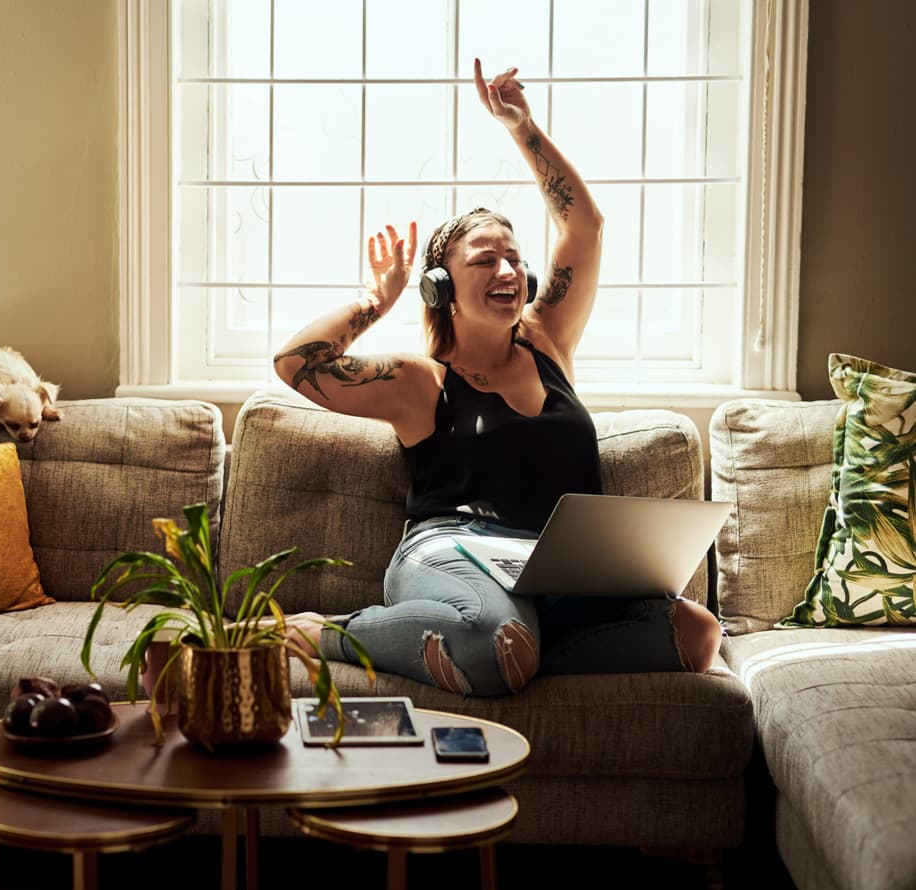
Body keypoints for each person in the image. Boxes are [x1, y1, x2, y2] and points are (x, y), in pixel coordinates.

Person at [272, 59, 722, 696]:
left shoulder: (549, 343)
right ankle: (326, 634)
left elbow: (585, 228)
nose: (508, 269)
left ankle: (515, 650)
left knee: (696, 633)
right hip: (454, 550)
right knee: (493, 640)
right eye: (486, 259)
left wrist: (523, 126)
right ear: (441, 285)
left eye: (514, 257)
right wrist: (377, 301)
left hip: (552, 569)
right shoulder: (420, 381)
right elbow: (297, 363)